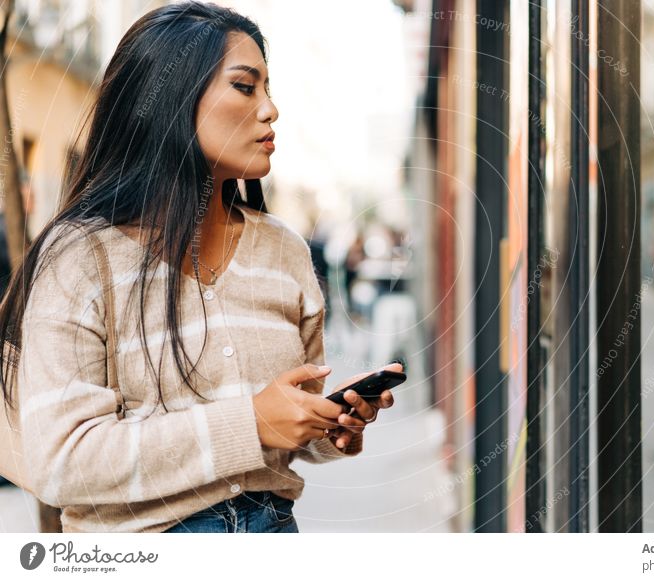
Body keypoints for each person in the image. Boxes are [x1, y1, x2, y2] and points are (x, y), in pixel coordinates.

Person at [0, 1, 400, 533]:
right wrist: (251, 422)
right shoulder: (80, 260)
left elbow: (289, 425)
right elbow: (62, 461)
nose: (271, 109)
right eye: (245, 86)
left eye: (268, 88)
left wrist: (329, 426)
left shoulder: (284, 251)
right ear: (170, 98)